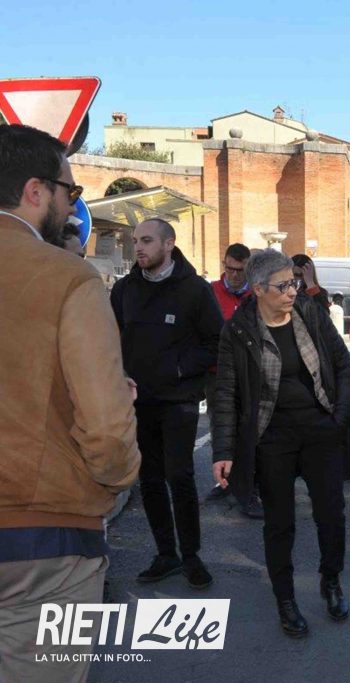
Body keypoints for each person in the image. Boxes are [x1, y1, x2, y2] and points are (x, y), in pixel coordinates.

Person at [0, 124, 140, 682]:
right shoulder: (68, 278)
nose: (71, 205)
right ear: (36, 191)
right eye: (71, 192)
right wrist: (119, 478)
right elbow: (106, 429)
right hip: (45, 539)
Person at [211, 249, 350, 638]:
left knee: (332, 515)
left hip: (321, 432)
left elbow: (342, 365)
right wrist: (223, 451)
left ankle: (331, 581)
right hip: (271, 439)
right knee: (279, 524)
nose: (293, 291)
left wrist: (340, 420)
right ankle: (285, 599)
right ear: (258, 289)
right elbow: (225, 393)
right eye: (283, 285)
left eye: (293, 282)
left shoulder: (310, 313)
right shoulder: (238, 330)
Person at [110, 218, 223, 589]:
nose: (138, 248)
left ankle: (191, 556)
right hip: (139, 402)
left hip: (179, 400)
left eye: (146, 240)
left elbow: (215, 342)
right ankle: (166, 554)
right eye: (135, 241)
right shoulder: (125, 290)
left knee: (180, 475)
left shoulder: (195, 290)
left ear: (169, 244)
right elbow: (110, 337)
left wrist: (179, 368)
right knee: (150, 480)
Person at [207, 243, 263, 518]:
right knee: (221, 428)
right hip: (218, 374)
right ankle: (225, 481)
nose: (234, 275)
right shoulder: (211, 292)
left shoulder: (258, 295)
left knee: (251, 432)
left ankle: (251, 488)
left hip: (251, 376)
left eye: (240, 270)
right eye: (229, 269)